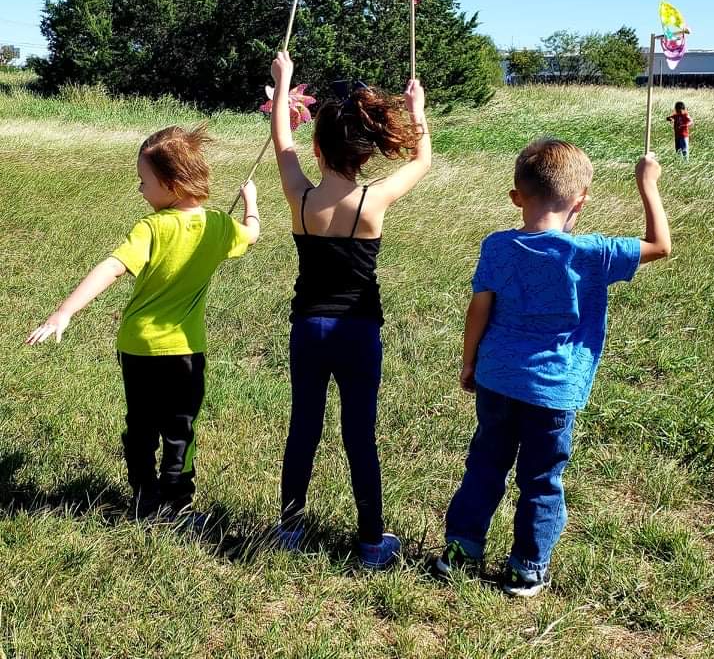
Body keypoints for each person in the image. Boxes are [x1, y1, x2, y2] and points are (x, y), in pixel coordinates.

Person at [437, 140, 671, 596]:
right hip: (554, 390)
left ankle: (461, 549)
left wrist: (469, 362)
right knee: (542, 480)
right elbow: (660, 245)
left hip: (497, 378)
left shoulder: (497, 246)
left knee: (484, 465)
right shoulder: (593, 253)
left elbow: (478, 309)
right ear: (580, 200)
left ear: (516, 196)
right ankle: (526, 568)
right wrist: (648, 184)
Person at [26, 125, 260, 523]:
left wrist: (65, 311)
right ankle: (176, 503)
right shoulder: (219, 227)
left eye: (143, 181)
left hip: (137, 348)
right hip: (185, 351)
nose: (139, 189)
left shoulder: (151, 228)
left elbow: (112, 267)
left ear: (171, 184)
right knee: (180, 429)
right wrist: (250, 201)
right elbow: (252, 234)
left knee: (141, 426)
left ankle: (144, 496)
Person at [269, 51, 431, 568]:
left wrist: (283, 84)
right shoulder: (372, 201)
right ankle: (370, 542)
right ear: (364, 154)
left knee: (304, 429)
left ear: (317, 148)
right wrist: (416, 110)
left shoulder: (301, 198)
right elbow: (422, 162)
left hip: (308, 328)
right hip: (358, 332)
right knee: (359, 435)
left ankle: (289, 528)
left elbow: (282, 144)